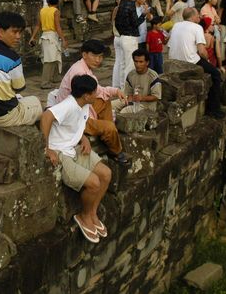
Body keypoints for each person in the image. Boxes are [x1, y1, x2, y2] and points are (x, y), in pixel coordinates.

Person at [42, 74, 112, 244]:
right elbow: (47, 116)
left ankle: (92, 213)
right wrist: (47, 147)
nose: (97, 94)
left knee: (106, 174)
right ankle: (83, 216)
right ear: (86, 95)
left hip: (74, 147)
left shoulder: (84, 105)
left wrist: (83, 138)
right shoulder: (69, 105)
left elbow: (75, 125)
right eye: (94, 92)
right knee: (94, 183)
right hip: (61, 152)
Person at [54, 39, 129, 165]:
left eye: (100, 56)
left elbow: (98, 91)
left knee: (104, 101)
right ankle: (116, 151)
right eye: (94, 56)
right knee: (109, 127)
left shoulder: (84, 67)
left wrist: (116, 91)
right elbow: (92, 96)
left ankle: (108, 135)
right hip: (74, 116)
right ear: (84, 55)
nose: (98, 60)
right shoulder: (79, 72)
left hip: (83, 106)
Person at [0, 11, 42, 127]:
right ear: (0, 31)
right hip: (2, 115)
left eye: (20, 32)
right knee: (36, 102)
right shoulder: (12, 59)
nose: (18, 37)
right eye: (14, 32)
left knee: (17, 98)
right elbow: (19, 87)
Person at [167, 8, 225, 119]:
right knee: (216, 74)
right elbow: (202, 51)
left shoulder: (176, 25)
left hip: (173, 60)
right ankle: (214, 109)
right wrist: (207, 60)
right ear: (193, 16)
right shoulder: (197, 27)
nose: (199, 17)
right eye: (198, 15)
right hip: (190, 61)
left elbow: (169, 44)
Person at [29, 0, 68, 89]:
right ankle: (45, 82)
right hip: (52, 36)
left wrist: (32, 37)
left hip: (45, 36)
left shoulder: (42, 10)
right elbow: (58, 27)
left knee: (54, 57)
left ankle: (54, 77)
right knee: (49, 60)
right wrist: (63, 39)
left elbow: (38, 25)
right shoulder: (56, 11)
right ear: (57, 1)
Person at [114, 0, 149, 89]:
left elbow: (117, 22)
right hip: (129, 37)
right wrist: (144, 14)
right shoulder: (130, 4)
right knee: (129, 65)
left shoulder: (122, 3)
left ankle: (120, 87)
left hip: (120, 36)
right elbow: (135, 23)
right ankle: (127, 89)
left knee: (121, 64)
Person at [113, 49, 162, 114]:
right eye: (136, 61)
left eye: (141, 62)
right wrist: (129, 101)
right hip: (133, 101)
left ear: (147, 62)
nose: (138, 64)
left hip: (147, 106)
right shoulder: (131, 74)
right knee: (110, 105)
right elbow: (129, 93)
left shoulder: (153, 76)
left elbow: (156, 96)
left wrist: (142, 98)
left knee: (124, 112)